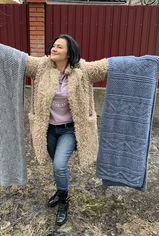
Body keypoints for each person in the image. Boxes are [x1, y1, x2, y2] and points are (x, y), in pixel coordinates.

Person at [25, 34, 108, 226]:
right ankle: (61, 190)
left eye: (59, 47)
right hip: (48, 130)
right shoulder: (41, 67)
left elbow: (108, 66)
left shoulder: (83, 70)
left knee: (59, 165)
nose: (54, 49)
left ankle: (64, 202)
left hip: (69, 131)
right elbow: (16, 59)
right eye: (53, 46)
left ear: (69, 53)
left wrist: (142, 63)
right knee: (57, 166)